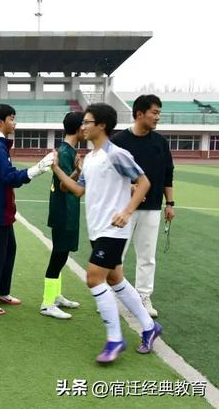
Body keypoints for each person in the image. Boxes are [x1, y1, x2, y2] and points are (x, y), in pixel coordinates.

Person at [52, 102, 162, 364]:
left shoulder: (117, 154)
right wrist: (56, 169)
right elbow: (77, 190)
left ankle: (115, 339)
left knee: (93, 278)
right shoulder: (90, 158)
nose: (83, 127)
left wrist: (127, 212)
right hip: (97, 229)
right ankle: (149, 327)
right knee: (115, 279)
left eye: (87, 122)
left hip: (113, 230)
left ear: (101, 125)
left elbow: (144, 182)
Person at [0, 104, 54, 315]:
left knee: (8, 250)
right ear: (0, 122)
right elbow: (8, 177)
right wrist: (36, 170)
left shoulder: (0, 144)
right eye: (11, 118)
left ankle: (1, 292)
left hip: (3, 209)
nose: (15, 122)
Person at [111, 94, 174, 318]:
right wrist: (127, 187)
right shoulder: (118, 141)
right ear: (139, 114)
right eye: (154, 112)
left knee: (147, 257)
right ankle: (113, 297)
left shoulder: (160, 143)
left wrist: (170, 203)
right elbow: (109, 173)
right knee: (116, 254)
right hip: (123, 209)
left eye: (159, 113)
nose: (158, 117)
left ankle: (143, 297)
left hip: (152, 208)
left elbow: (168, 174)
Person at [41, 112, 85, 319]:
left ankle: (55, 296)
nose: (87, 129)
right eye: (84, 124)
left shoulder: (68, 150)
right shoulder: (65, 152)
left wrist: (76, 171)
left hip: (68, 210)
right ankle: (47, 303)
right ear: (78, 127)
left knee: (62, 255)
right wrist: (78, 172)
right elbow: (64, 185)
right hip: (63, 211)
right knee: (59, 255)